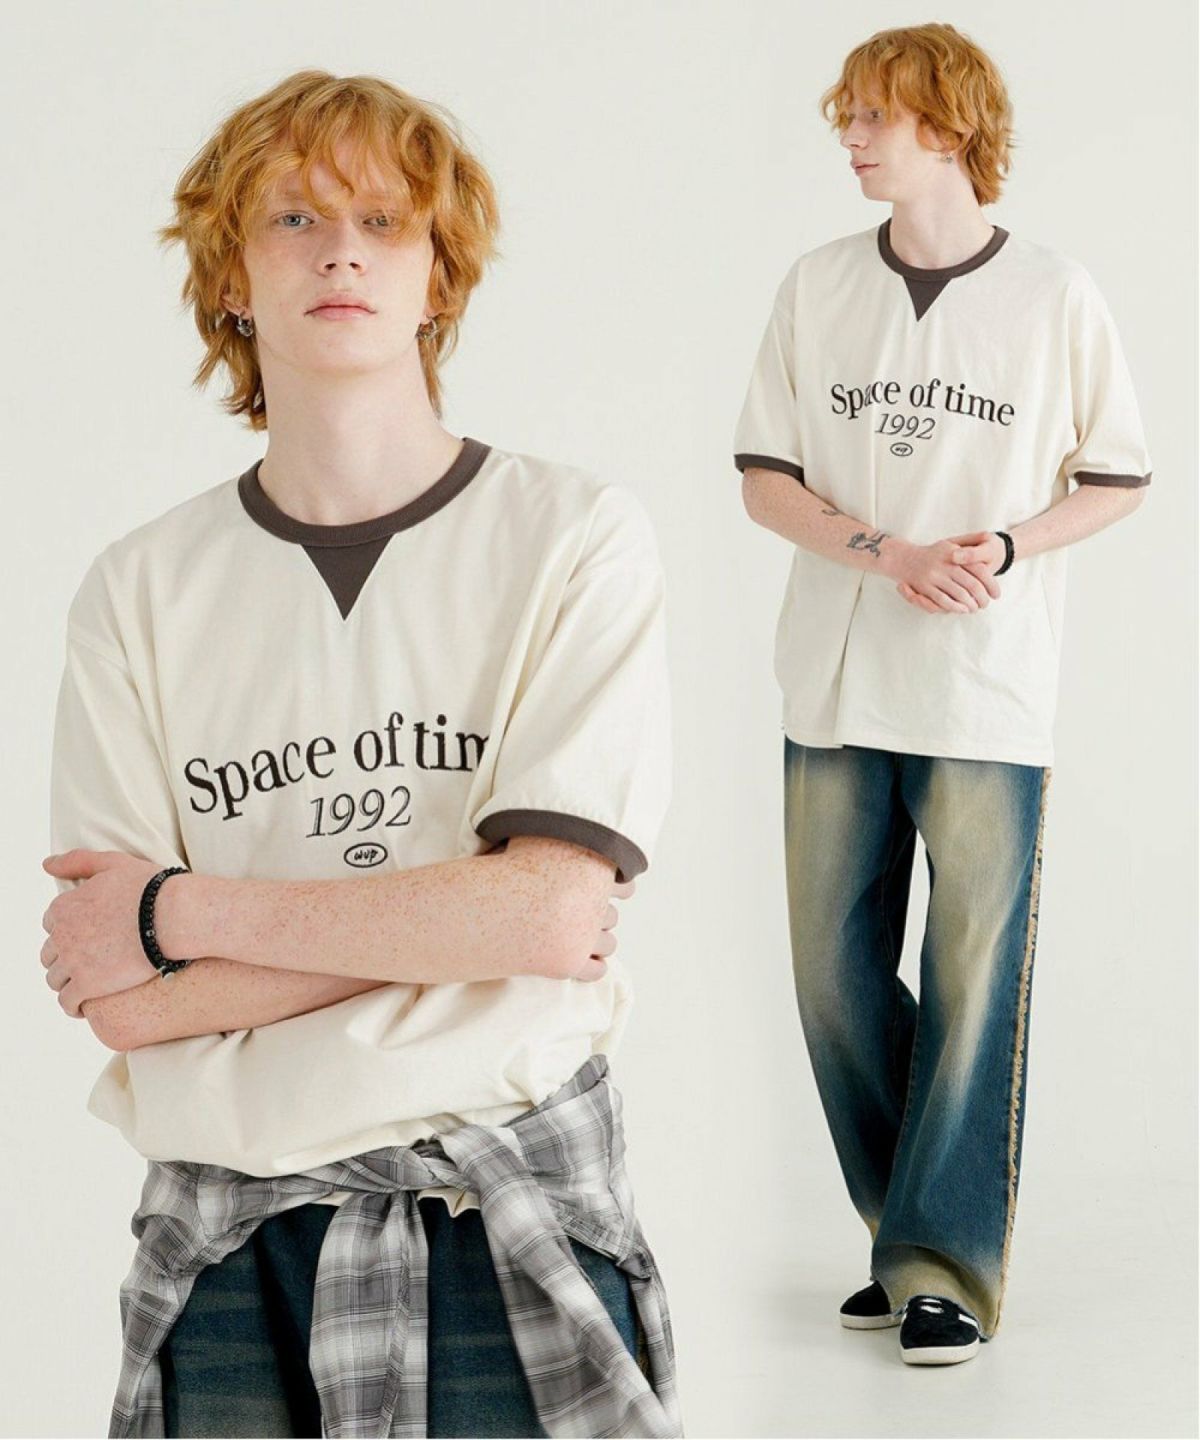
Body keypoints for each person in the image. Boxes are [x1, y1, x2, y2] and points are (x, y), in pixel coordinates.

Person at [42, 69, 680, 1438]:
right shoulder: (138, 590)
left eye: (385, 221)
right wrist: (472, 917)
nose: (342, 251)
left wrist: (175, 914)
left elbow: (552, 910)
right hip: (226, 1236)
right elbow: (125, 1003)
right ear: (230, 275)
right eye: (293, 217)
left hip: (501, 1202)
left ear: (439, 276)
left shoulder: (573, 536)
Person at [732, 23, 1151, 1366]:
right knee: (831, 976)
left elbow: (1118, 474)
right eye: (845, 116)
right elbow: (764, 477)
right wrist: (887, 553)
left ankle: (942, 1269)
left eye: (874, 115)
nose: (850, 137)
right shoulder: (817, 286)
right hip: (834, 682)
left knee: (972, 979)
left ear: (950, 125)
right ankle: (909, 1225)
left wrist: (1010, 548)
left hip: (984, 689)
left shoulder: (1053, 295)